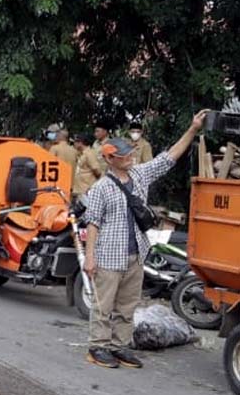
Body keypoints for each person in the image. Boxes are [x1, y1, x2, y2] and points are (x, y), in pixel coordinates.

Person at [82, 109, 208, 369]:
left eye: (130, 153)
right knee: (104, 305)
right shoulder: (101, 188)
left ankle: (119, 346)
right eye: (124, 155)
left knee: (127, 306)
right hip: (108, 255)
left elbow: (169, 157)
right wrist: (90, 257)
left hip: (136, 253)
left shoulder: (140, 176)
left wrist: (193, 128)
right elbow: (92, 223)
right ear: (110, 159)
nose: (130, 157)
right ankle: (98, 347)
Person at [72, 133, 103, 199]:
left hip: (86, 189)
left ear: (80, 143)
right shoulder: (81, 154)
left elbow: (97, 170)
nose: (74, 144)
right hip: (80, 189)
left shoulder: (89, 153)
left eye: (75, 142)